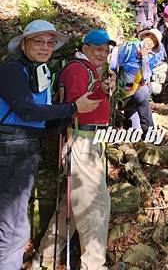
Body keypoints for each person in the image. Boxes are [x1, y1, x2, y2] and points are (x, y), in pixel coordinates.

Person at [0, 20, 99, 270]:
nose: (45, 47)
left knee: (15, 221)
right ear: (24, 44)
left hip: (26, 148)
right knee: (12, 225)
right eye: (38, 41)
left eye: (50, 42)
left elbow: (40, 123)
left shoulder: (39, 71)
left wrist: (65, 121)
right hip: (11, 148)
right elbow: (26, 111)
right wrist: (73, 108)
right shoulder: (13, 70)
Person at [36, 28, 116, 270]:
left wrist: (103, 88)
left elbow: (87, 100)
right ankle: (93, 265)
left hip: (88, 141)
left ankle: (44, 257)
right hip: (80, 141)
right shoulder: (76, 70)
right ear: (85, 49)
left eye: (106, 50)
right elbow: (74, 108)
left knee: (72, 204)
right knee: (95, 205)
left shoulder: (88, 70)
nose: (103, 54)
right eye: (98, 49)